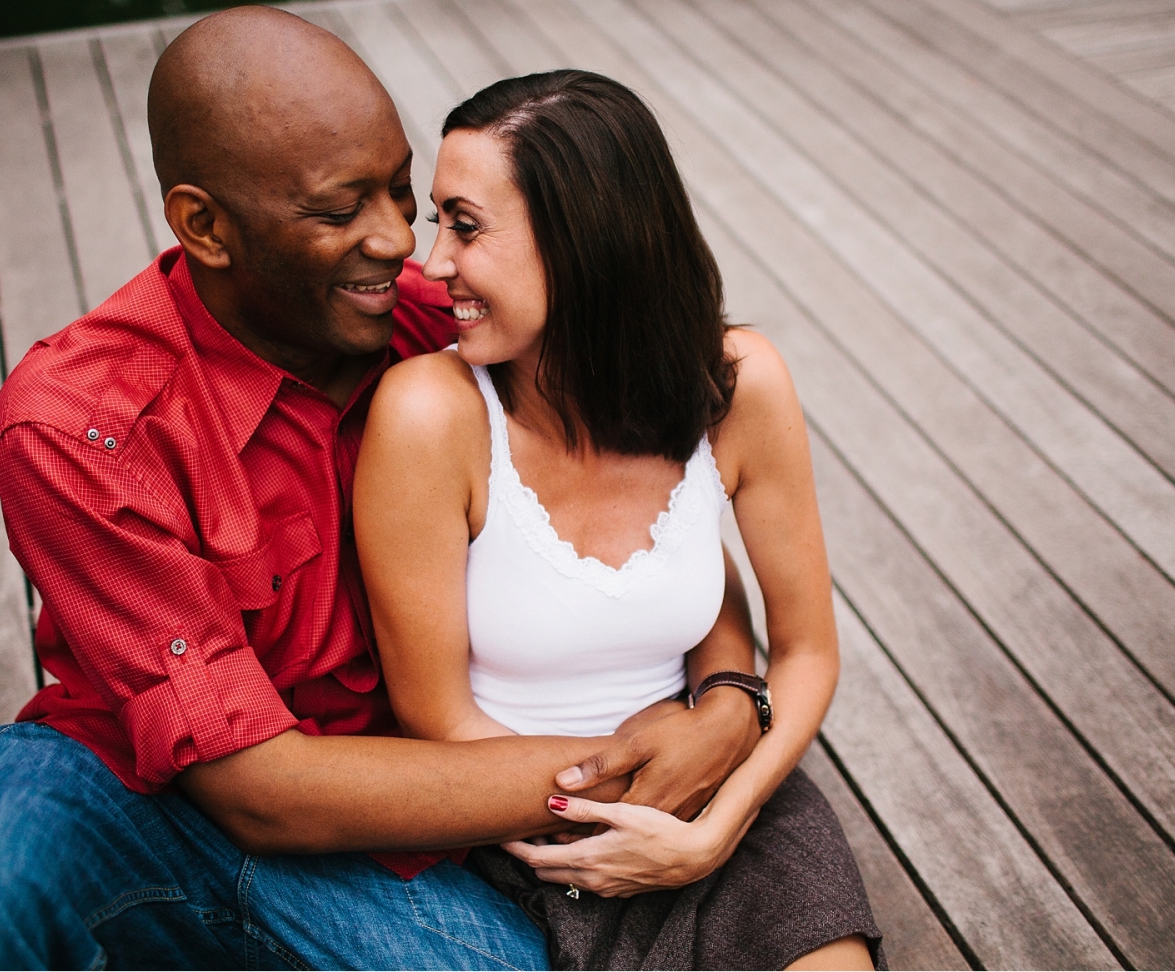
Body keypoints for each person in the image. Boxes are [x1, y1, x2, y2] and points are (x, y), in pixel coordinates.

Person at [0, 8, 767, 971]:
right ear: (204, 226)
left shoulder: (452, 326)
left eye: (403, 192)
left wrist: (730, 695)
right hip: (141, 791)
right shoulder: (81, 422)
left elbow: (658, 502)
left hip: (406, 812)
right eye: (338, 209)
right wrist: (644, 761)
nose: (401, 241)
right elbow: (258, 790)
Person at [353, 71, 883, 970]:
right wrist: (639, 803)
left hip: (729, 797)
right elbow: (435, 718)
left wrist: (721, 814)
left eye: (466, 225)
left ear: (579, 240)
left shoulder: (738, 386)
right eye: (439, 221)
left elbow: (805, 653)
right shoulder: (429, 414)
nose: (434, 263)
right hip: (535, 840)